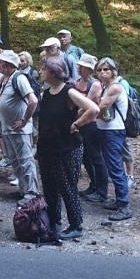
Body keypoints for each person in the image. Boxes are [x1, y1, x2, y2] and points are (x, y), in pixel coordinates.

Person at [37, 57, 99, 240]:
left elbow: (93, 109)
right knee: (49, 188)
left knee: (67, 187)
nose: (40, 72)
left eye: (43, 69)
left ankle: (75, 225)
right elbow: (45, 122)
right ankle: (54, 221)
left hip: (67, 148)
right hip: (47, 148)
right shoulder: (46, 93)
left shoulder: (68, 92)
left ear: (53, 72)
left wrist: (77, 123)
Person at [0, 50, 39, 205]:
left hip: (19, 129)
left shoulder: (19, 78)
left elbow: (33, 100)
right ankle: (24, 189)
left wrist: (24, 120)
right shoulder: (7, 78)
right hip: (9, 129)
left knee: (25, 161)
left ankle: (32, 193)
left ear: (7, 64)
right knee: (16, 161)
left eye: (0, 62)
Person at [94, 57, 132, 221]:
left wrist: (89, 115)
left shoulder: (115, 87)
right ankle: (119, 201)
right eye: (100, 70)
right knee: (112, 166)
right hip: (106, 129)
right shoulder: (107, 87)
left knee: (116, 167)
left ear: (113, 71)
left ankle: (124, 206)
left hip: (113, 131)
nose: (102, 72)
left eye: (106, 69)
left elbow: (101, 107)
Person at [74, 54, 107, 203]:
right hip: (80, 123)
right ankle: (93, 185)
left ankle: (102, 190)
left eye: (82, 67)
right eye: (79, 66)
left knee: (96, 157)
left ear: (89, 69)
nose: (79, 69)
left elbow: (87, 105)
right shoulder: (77, 82)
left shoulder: (95, 84)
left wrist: (73, 114)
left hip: (92, 124)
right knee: (85, 157)